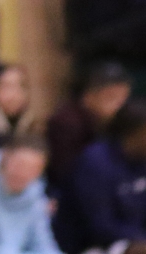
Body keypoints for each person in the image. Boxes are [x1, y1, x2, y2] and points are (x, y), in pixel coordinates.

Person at [53, 98, 146, 254]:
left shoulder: (141, 161)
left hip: (132, 238)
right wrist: (140, 239)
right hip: (89, 245)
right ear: (134, 133)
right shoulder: (95, 163)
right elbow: (100, 225)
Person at [48, 61, 134, 191]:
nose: (119, 105)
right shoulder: (67, 123)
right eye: (112, 98)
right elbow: (66, 171)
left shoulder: (114, 122)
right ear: (89, 95)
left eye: (123, 98)